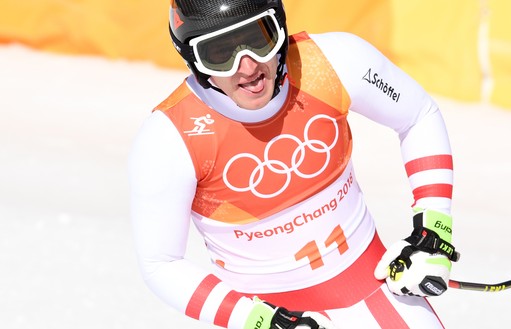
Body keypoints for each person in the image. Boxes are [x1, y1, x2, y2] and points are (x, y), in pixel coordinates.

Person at [128, 0, 460, 328]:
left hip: (376, 288)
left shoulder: (331, 61)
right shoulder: (169, 138)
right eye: (220, 53)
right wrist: (260, 320)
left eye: (259, 39)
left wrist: (433, 230)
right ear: (194, 61)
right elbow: (161, 263)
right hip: (275, 314)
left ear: (280, 28)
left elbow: (417, 116)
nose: (247, 68)